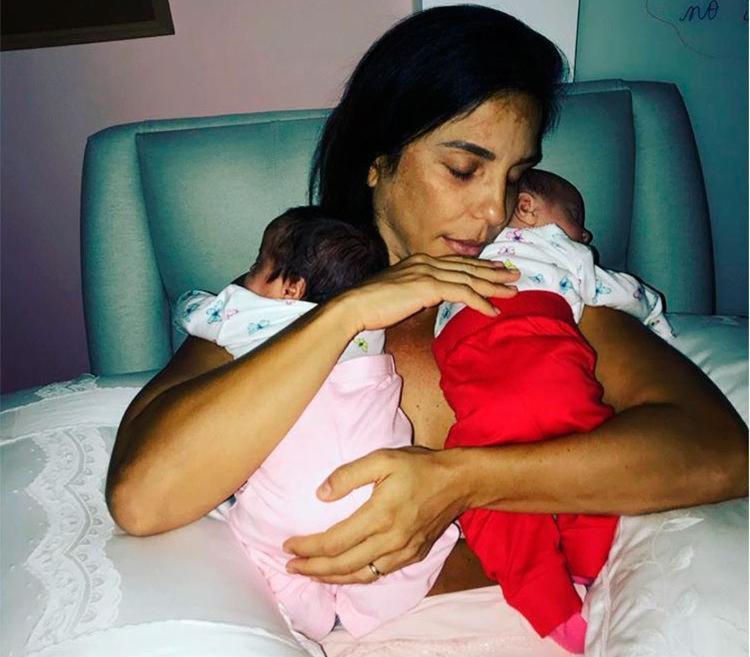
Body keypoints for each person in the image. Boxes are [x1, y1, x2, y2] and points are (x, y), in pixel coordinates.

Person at [106, 4, 747, 650]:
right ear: (378, 158)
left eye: (515, 177)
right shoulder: (286, 290)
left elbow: (720, 451)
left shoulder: (530, 285)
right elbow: (142, 495)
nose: (494, 210)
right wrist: (346, 313)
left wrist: (462, 480)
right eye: (464, 169)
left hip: (553, 628)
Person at [173, 206, 459, 640]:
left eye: (257, 267)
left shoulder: (258, 320)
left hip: (293, 508)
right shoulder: (373, 327)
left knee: (266, 548)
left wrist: (204, 300)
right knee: (429, 545)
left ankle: (312, 620)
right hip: (381, 495)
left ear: (291, 288)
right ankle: (366, 613)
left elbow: (195, 314)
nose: (247, 278)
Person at [431, 169, 673, 653]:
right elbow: (622, 293)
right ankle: (587, 561)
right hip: (554, 385)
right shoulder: (556, 249)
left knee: (494, 508)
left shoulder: (455, 267)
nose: (587, 234)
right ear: (527, 209)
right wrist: (656, 318)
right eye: (576, 217)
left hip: (484, 405)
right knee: (598, 464)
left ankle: (550, 607)